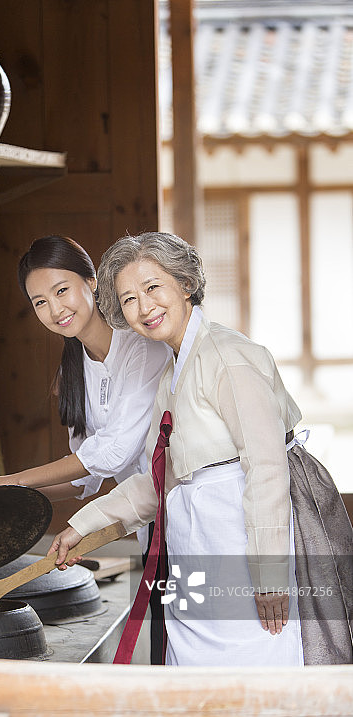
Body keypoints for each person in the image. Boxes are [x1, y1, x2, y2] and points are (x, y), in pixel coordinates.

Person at [48, 231, 353, 667]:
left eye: (153, 288)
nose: (144, 307)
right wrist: (83, 525)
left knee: (257, 670)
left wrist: (270, 575)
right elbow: (159, 479)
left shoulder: (228, 356)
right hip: (197, 544)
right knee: (197, 682)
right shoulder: (171, 374)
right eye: (129, 299)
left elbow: (267, 467)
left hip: (240, 543)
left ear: (185, 284)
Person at [0, 235, 171, 550]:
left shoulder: (141, 347)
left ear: (92, 281)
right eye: (40, 302)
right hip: (147, 527)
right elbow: (84, 478)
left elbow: (111, 454)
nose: (55, 310)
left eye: (61, 290)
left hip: (186, 515)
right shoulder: (72, 370)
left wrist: (10, 480)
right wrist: (2, 495)